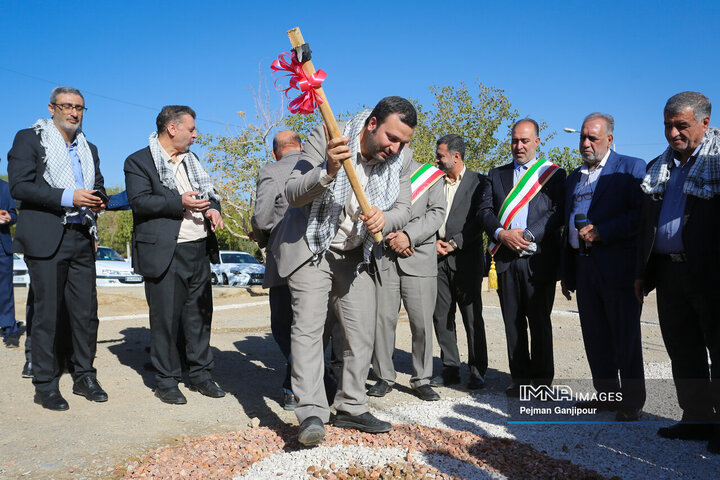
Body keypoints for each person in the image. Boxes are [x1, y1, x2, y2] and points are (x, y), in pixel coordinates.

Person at [270, 96, 415, 446]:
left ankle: (350, 406)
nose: (396, 149)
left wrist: (386, 217)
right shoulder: (329, 136)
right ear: (371, 124)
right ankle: (311, 414)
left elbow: (403, 207)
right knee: (308, 330)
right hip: (312, 248)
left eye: (403, 142)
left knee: (360, 332)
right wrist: (328, 172)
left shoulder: (403, 158)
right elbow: (292, 193)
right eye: (391, 138)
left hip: (355, 254)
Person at [8, 86, 107, 410]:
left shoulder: (88, 148)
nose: (73, 112)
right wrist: (69, 196)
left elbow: (99, 185)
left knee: (85, 314)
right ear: (52, 108)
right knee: (47, 315)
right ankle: (45, 384)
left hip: (81, 235)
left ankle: (84, 375)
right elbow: (20, 186)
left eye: (79, 107)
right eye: (66, 106)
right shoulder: (29, 139)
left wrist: (99, 200)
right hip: (47, 237)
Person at [635, 91, 720, 454]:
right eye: (668, 126)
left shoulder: (717, 162)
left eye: (681, 125)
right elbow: (648, 225)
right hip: (670, 275)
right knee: (683, 351)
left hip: (712, 275)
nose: (672, 133)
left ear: (705, 122)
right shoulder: (660, 166)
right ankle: (697, 418)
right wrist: (642, 272)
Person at [124, 105, 225, 405]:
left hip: (198, 248)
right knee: (166, 320)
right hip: (165, 252)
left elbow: (211, 194)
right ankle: (167, 380)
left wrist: (215, 210)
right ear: (172, 129)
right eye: (191, 129)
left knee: (199, 317)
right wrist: (178, 202)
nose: (196, 134)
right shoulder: (139, 161)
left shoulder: (192, 162)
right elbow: (140, 202)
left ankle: (200, 375)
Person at [560, 113, 646, 421]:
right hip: (583, 267)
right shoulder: (573, 176)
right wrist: (567, 272)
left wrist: (603, 231)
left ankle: (632, 401)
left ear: (609, 139)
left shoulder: (631, 168)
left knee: (625, 336)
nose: (585, 143)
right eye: (582, 137)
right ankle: (607, 397)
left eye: (592, 138)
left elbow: (640, 216)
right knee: (595, 337)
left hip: (617, 267)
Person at [479, 118, 565, 397]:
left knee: (539, 321)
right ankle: (520, 379)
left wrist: (528, 234)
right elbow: (485, 211)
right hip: (505, 257)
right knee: (512, 321)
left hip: (538, 260)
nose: (519, 146)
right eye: (515, 140)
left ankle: (541, 382)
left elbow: (558, 214)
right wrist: (501, 234)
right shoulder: (496, 174)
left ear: (537, 142)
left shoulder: (553, 174)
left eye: (525, 141)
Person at [369, 158, 445, 401]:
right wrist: (390, 236)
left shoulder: (430, 175)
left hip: (419, 257)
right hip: (385, 255)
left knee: (422, 323)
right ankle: (384, 376)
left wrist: (408, 237)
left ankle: (421, 379)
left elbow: (436, 213)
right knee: (382, 321)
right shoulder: (377, 170)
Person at [430, 135, 487, 390]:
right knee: (441, 315)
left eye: (440, 155)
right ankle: (450, 369)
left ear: (456, 156)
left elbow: (481, 220)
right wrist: (433, 242)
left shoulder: (479, 183)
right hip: (436, 257)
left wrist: (454, 243)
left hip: (466, 259)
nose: (436, 159)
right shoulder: (433, 181)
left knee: (472, 316)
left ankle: (477, 370)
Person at [251, 130, 304, 410]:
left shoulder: (271, 171)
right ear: (301, 146)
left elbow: (261, 217)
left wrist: (263, 240)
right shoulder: (320, 167)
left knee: (283, 325)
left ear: (275, 152)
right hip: (322, 259)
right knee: (311, 326)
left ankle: (294, 386)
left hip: (284, 259)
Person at [0, 175, 19, 347]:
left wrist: (9, 218)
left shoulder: (6, 188)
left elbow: (14, 214)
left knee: (5, 289)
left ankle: (9, 329)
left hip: (2, 246)